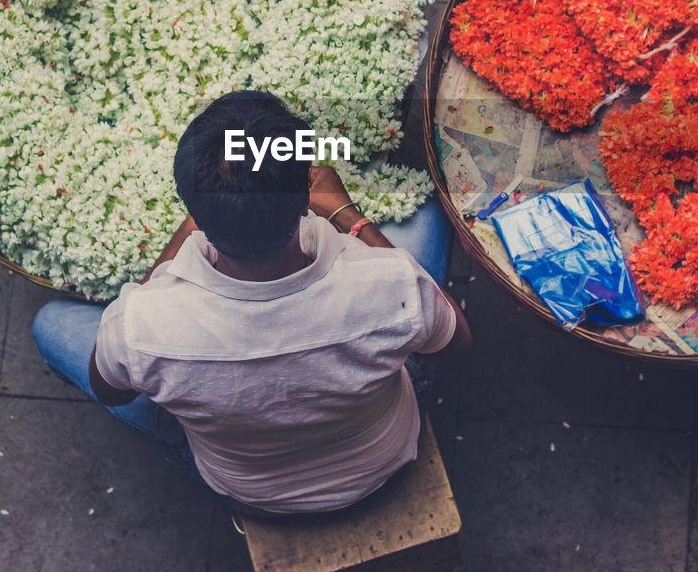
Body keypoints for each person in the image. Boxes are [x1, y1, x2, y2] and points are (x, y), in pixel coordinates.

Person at [32, 90, 471, 516]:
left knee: (50, 323)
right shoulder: (392, 283)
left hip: (252, 494)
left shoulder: (140, 324)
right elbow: (459, 350)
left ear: (195, 215)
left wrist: (197, 223)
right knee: (428, 214)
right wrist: (347, 214)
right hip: (381, 459)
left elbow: (113, 391)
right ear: (306, 198)